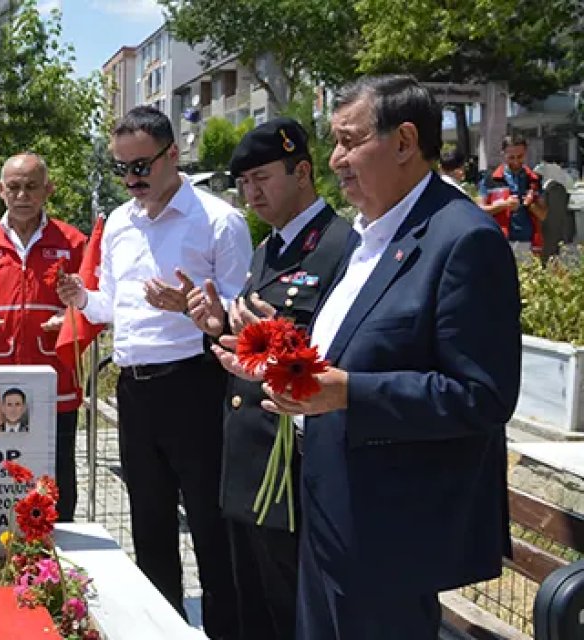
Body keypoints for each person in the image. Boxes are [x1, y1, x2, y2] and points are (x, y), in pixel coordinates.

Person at [256, 75, 519, 638]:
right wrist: (280, 356)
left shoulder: (463, 239)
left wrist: (349, 392)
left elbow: (483, 395)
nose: (335, 159)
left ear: (403, 142)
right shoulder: (368, 235)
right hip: (330, 510)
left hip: (390, 534)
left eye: (349, 141)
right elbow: (356, 348)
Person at [57, 104, 251, 638]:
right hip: (135, 392)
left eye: (141, 165)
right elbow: (113, 306)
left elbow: (239, 312)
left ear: (173, 155)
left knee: (213, 531)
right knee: (150, 527)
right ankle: (160, 629)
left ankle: (226, 630)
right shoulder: (119, 223)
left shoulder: (218, 220)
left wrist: (188, 306)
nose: (131, 179)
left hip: (196, 384)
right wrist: (83, 298)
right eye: (121, 168)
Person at [185, 118, 352, 640]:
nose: (251, 193)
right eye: (244, 183)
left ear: (302, 171)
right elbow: (256, 342)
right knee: (252, 608)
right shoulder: (270, 249)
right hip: (249, 466)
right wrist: (218, 325)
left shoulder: (341, 247)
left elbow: (334, 352)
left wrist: (276, 340)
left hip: (289, 470)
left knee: (290, 614)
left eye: (263, 178)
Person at [0, 152, 85, 517]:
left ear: (48, 189)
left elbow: (93, 301)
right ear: (1, 190)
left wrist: (70, 317)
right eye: (14, 187)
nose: (22, 195)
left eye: (31, 187)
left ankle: (58, 557)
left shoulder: (73, 243)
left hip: (54, 380)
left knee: (57, 472)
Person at [480, 134, 547, 259]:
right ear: (503, 154)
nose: (516, 161)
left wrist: (531, 204)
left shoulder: (535, 179)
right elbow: (479, 211)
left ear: (525, 153)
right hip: (499, 241)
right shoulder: (490, 179)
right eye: (511, 157)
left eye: (520, 157)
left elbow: (543, 215)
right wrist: (503, 205)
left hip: (528, 243)